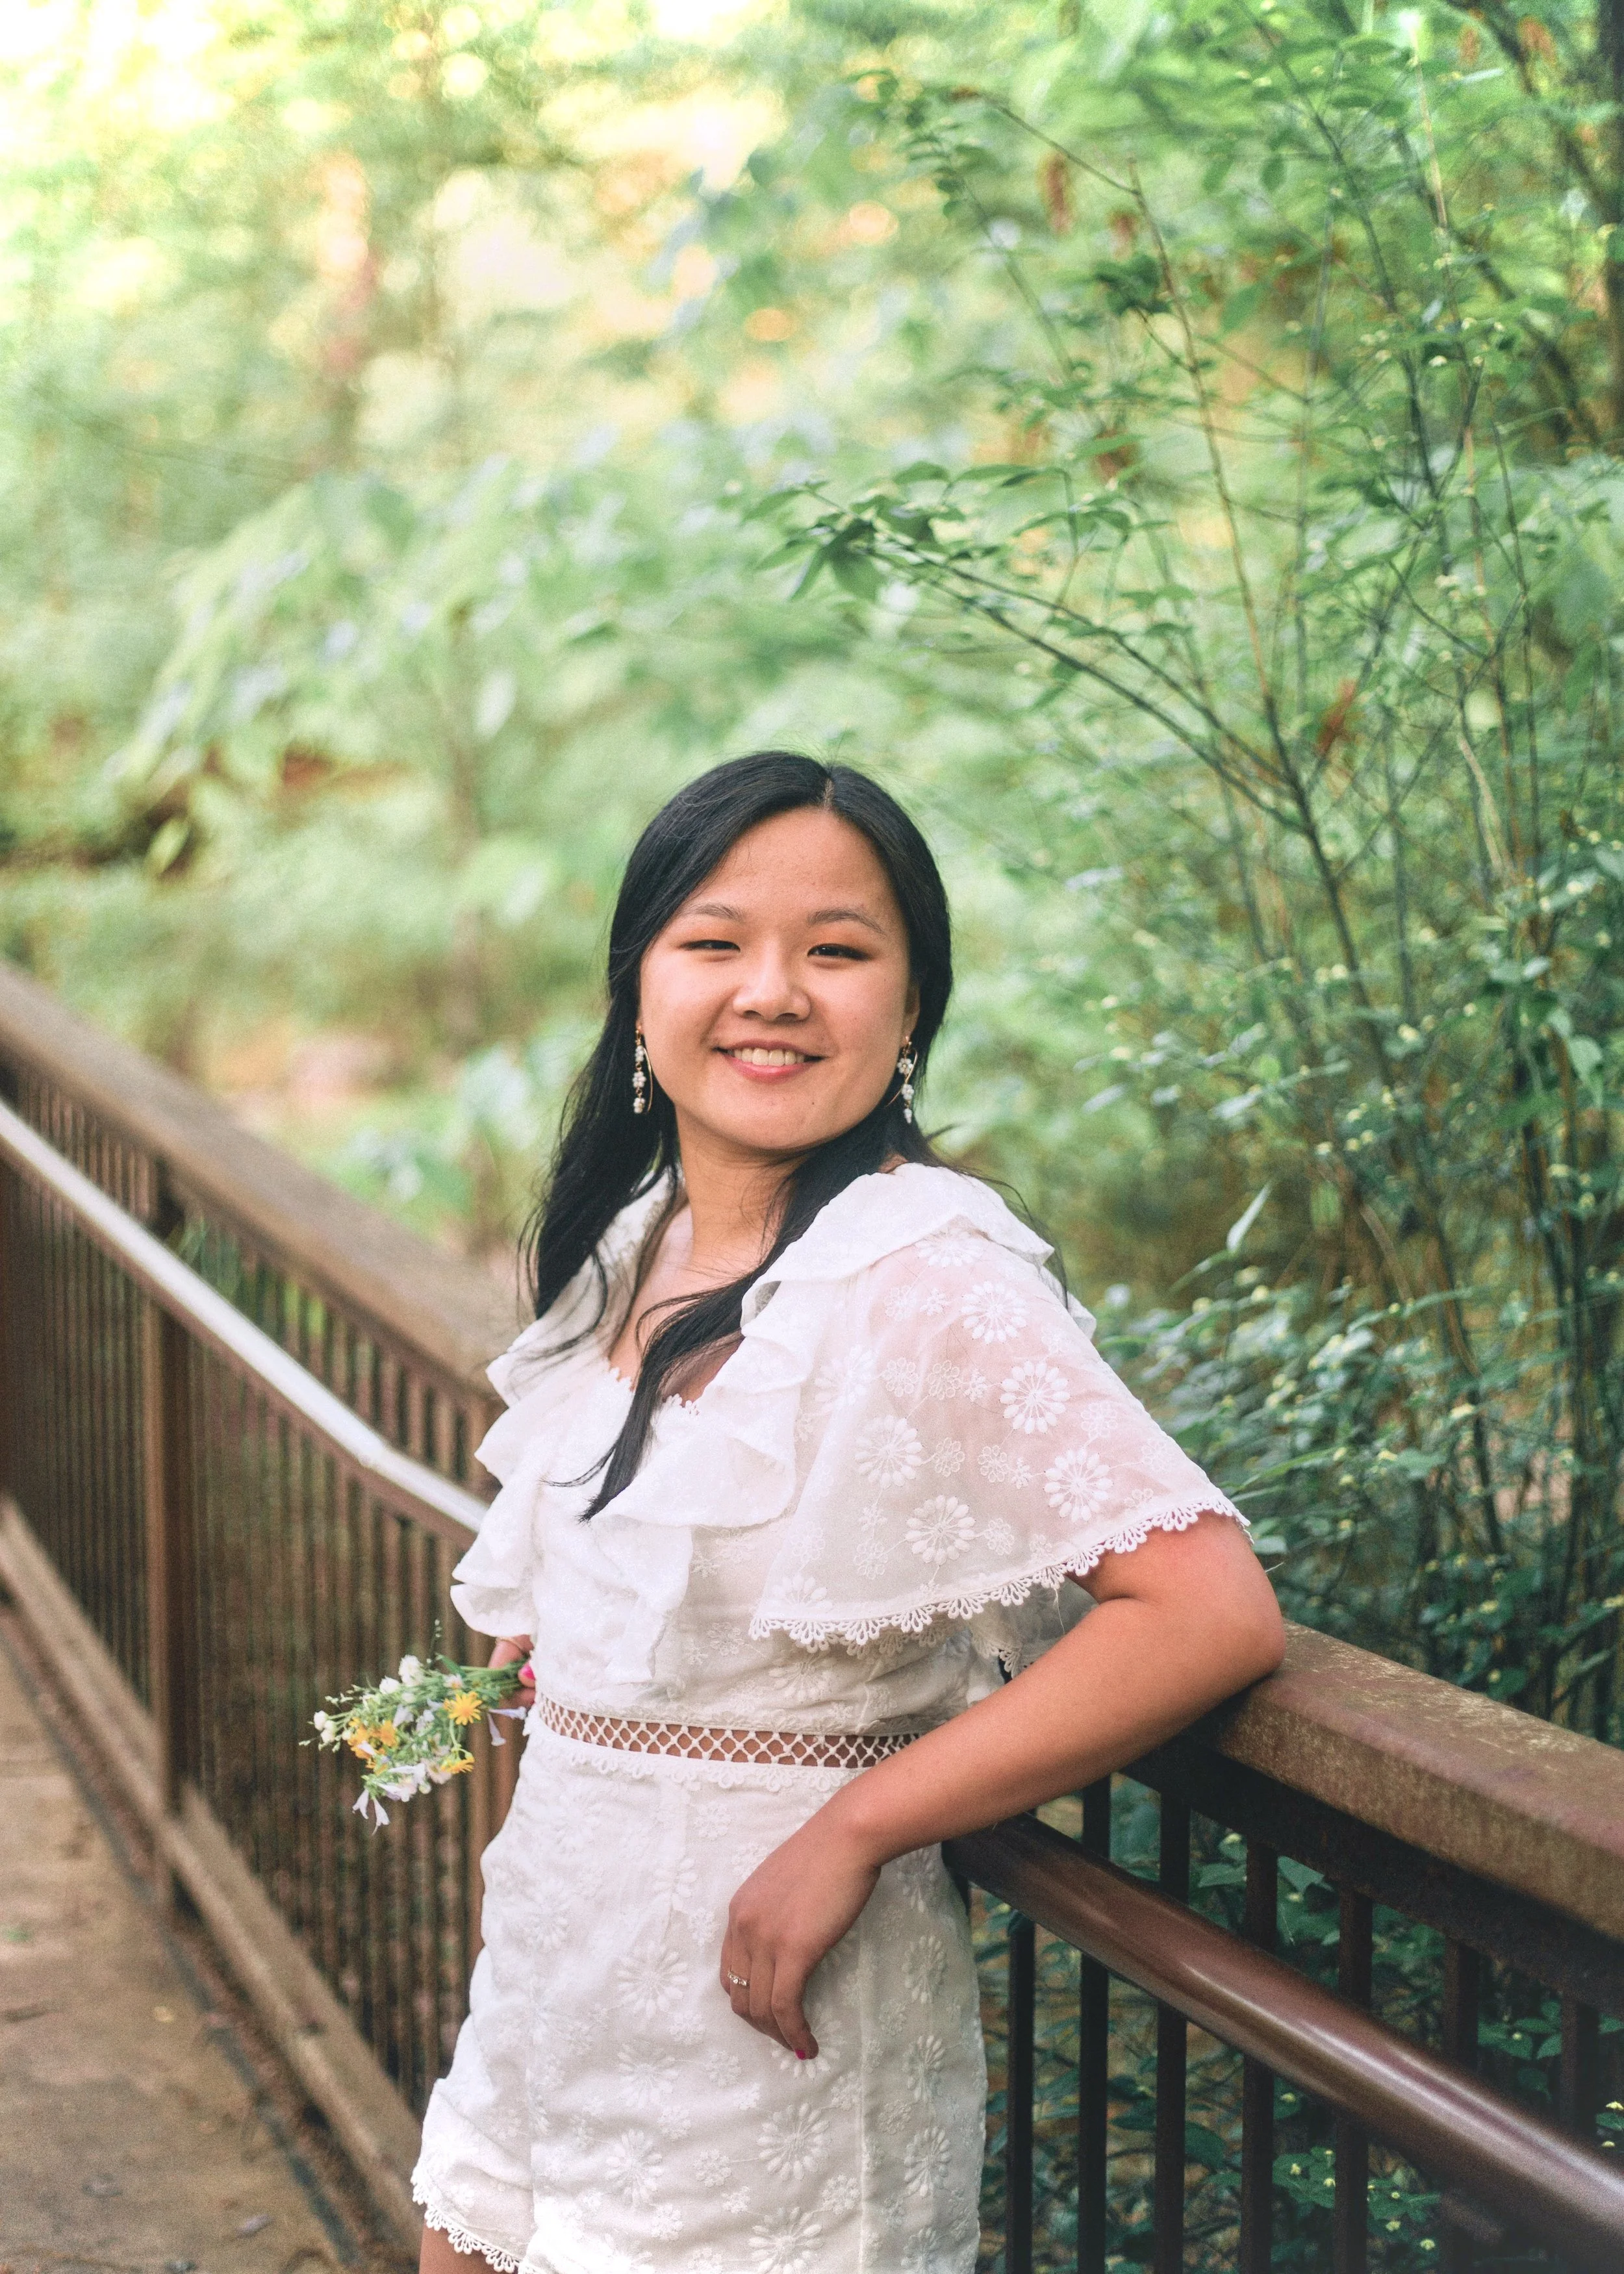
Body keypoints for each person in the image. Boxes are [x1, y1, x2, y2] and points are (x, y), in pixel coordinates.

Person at [412, 752, 1284, 2274]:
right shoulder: (636, 1242)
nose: (770, 991)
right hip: (554, 1976)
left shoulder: (922, 1266)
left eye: (835, 949)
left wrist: (857, 1825)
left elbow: (1203, 1611)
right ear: (637, 992)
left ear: (907, 1007)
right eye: (713, 941)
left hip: (770, 2029)